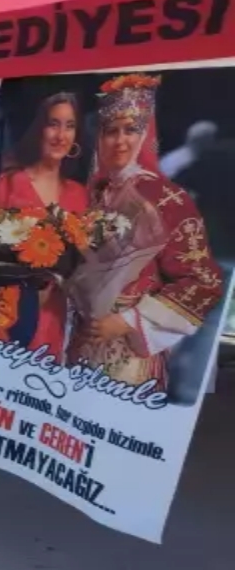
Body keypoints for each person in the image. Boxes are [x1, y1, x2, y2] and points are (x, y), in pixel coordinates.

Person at [66, 74, 225, 393]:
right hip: (78, 339)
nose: (120, 141)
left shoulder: (166, 197)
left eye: (131, 130)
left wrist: (127, 321)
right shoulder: (90, 193)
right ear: (98, 137)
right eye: (111, 131)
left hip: (128, 352)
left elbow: (203, 282)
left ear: (146, 135)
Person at [0, 92, 89, 358]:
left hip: (57, 318)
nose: (60, 135)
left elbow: (91, 260)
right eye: (53, 124)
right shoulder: (9, 185)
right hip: (5, 314)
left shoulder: (80, 195)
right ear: (39, 129)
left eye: (69, 126)